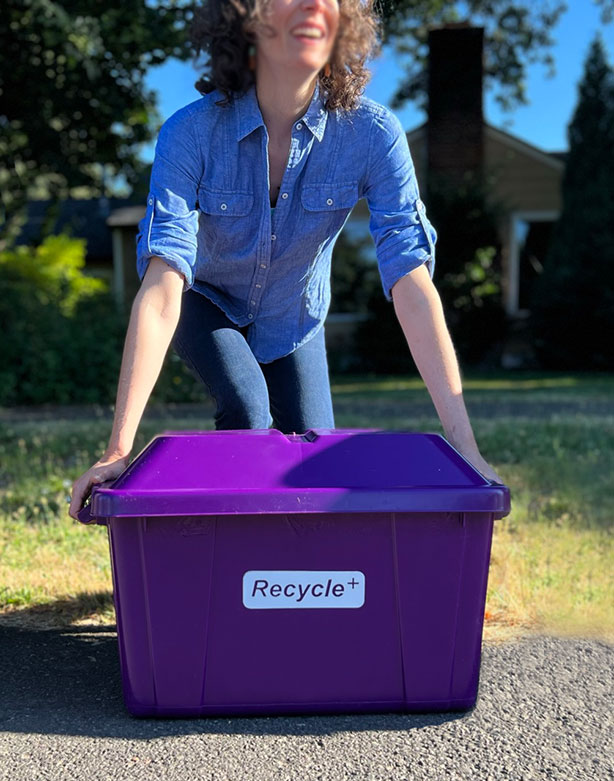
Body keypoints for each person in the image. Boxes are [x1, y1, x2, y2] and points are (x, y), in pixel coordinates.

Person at [69, 0, 502, 520]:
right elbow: (164, 285)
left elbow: (412, 284)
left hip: (296, 319)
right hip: (205, 304)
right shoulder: (190, 133)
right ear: (245, 16)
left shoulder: (373, 134)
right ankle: (226, 565)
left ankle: (290, 585)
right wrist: (119, 447)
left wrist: (466, 446)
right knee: (250, 411)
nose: (315, 3)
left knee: (316, 471)